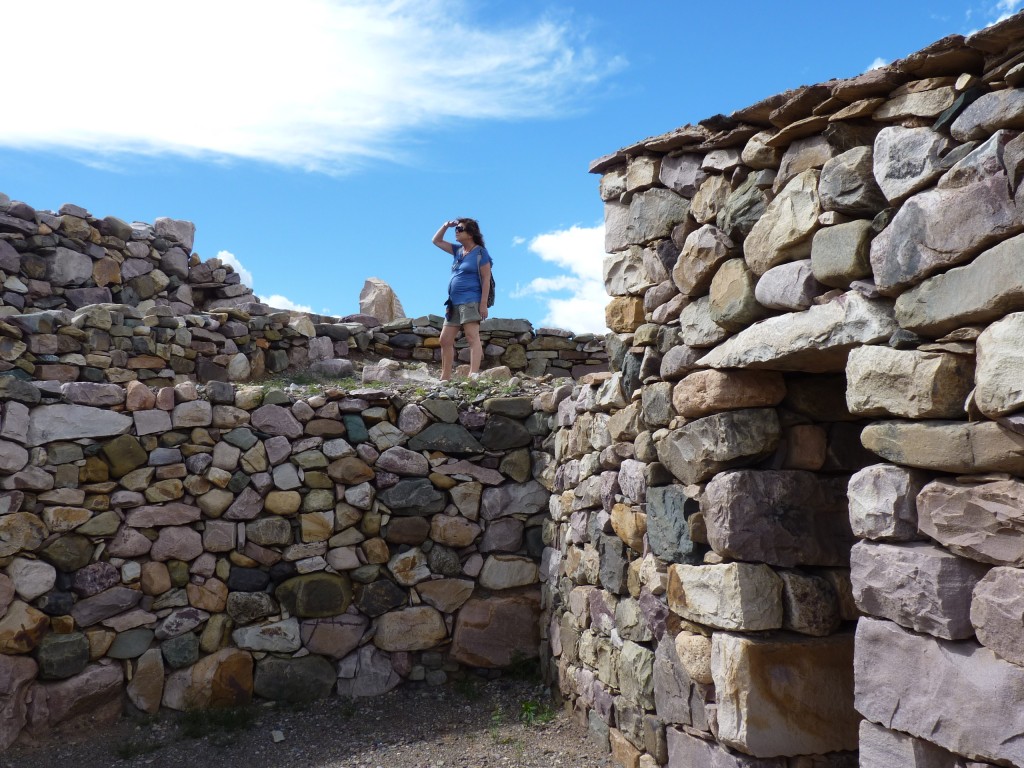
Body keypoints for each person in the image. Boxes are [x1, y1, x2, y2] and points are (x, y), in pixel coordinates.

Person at [431, 217, 492, 380]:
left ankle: (473, 374)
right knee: (445, 339)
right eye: (455, 229)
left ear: (470, 233)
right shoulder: (457, 250)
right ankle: (445, 377)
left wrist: (483, 304)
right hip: (453, 302)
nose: (456, 232)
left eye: (459, 229)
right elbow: (436, 241)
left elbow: (486, 278)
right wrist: (445, 225)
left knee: (472, 337)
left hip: (471, 300)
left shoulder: (480, 253)